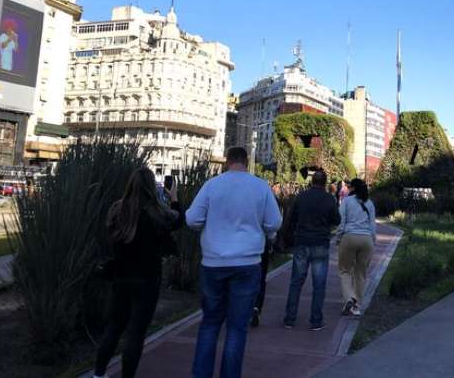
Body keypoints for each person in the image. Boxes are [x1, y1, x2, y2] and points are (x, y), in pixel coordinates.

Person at [186, 147, 282, 378]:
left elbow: (192, 219)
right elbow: (274, 222)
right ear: (246, 161)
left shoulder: (212, 185)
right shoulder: (260, 186)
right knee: (237, 328)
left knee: (209, 324)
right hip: (248, 263)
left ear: (227, 162)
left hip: (213, 262)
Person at [93, 168, 184, 378]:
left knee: (114, 327)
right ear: (152, 187)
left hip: (121, 275)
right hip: (148, 278)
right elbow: (179, 221)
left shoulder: (117, 210)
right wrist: (175, 197)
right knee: (136, 333)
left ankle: (98, 374)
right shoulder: (158, 213)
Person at [283, 169, 340, 331]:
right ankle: (316, 320)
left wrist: (285, 237)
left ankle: (289, 318)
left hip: (301, 242)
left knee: (296, 281)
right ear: (325, 183)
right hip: (320, 243)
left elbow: (291, 218)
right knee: (319, 283)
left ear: (312, 181)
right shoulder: (329, 199)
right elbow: (337, 220)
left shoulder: (301, 197)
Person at [336, 178, 377, 317]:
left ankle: (349, 297)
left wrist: (338, 237)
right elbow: (372, 225)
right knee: (361, 273)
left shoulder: (347, 201)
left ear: (352, 188)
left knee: (344, 270)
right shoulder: (370, 203)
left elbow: (341, 221)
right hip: (366, 240)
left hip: (349, 237)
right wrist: (373, 241)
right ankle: (357, 306)